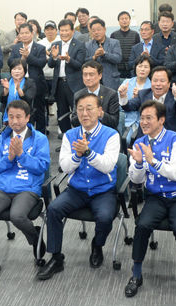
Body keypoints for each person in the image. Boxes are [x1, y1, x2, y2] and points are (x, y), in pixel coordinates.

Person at [36, 93, 119, 280]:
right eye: (80, 109)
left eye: (89, 108)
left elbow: (107, 165)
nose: (84, 113)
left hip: (103, 190)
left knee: (105, 217)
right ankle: (56, 257)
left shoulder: (111, 135)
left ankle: (97, 245)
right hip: (77, 190)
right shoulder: (70, 135)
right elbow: (64, 167)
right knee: (54, 209)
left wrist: (88, 152)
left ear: (100, 111)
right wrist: (77, 155)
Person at [124, 100, 176, 303]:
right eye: (142, 118)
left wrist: (152, 160)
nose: (144, 122)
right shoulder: (139, 142)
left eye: (149, 118)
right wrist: (139, 163)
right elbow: (136, 180)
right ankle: (136, 274)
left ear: (161, 120)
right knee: (142, 225)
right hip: (156, 197)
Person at [0, 99, 50, 282]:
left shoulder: (39, 138)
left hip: (28, 188)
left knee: (17, 216)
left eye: (19, 117)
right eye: (11, 117)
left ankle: (35, 237)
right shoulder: (2, 138)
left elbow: (42, 167)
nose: (15, 121)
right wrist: (9, 157)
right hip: (4, 188)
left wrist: (22, 156)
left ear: (27, 117)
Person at [120, 66, 176, 138]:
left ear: (169, 83)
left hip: (171, 137)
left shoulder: (175, 95)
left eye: (162, 81)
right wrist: (123, 96)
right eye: (155, 80)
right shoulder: (143, 94)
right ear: (151, 82)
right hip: (146, 137)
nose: (158, 84)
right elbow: (128, 106)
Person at [48, 19, 87, 136]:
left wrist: (69, 60)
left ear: (72, 31)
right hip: (59, 84)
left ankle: (80, 139)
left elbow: (80, 65)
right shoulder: (55, 45)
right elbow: (50, 64)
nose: (64, 33)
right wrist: (54, 57)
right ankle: (67, 139)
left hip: (74, 85)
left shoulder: (79, 45)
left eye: (66, 30)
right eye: (61, 31)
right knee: (62, 113)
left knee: (77, 112)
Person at [8, 23, 47, 132]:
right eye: (22, 33)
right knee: (21, 110)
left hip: (36, 83)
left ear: (32, 33)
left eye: (26, 33)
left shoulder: (40, 47)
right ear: (19, 34)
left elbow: (41, 63)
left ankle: (40, 134)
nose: (24, 35)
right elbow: (10, 62)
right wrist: (21, 58)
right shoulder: (15, 48)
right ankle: (24, 133)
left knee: (39, 111)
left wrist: (28, 56)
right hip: (19, 82)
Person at [71, 60, 119, 129]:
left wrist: (101, 114)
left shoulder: (111, 94)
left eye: (91, 74)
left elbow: (114, 122)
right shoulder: (78, 95)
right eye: (85, 75)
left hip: (105, 132)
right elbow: (74, 122)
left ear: (100, 76)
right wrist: (82, 114)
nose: (88, 78)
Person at [118, 54, 152, 146]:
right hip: (126, 121)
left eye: (146, 67)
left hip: (143, 123)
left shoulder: (152, 86)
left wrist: (138, 99)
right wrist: (124, 97)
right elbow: (120, 107)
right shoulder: (127, 83)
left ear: (150, 70)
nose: (142, 69)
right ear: (135, 68)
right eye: (140, 66)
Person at [85, 19, 122, 91]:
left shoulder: (114, 43)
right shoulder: (87, 45)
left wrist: (105, 54)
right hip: (94, 81)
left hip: (111, 80)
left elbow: (118, 58)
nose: (96, 32)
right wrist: (94, 57)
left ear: (104, 29)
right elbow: (84, 61)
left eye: (98, 30)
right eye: (93, 30)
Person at [0, 59, 36, 124]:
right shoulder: (6, 81)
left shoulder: (30, 83)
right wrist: (6, 90)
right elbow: (2, 101)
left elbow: (29, 100)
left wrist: (19, 90)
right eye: (14, 69)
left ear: (24, 71)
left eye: (19, 69)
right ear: (11, 71)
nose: (16, 71)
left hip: (25, 118)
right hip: (8, 118)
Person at [111, 11, 140, 79]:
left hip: (132, 68)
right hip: (118, 68)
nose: (124, 20)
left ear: (129, 20)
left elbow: (138, 51)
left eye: (126, 18)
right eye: (122, 19)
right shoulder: (113, 35)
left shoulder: (135, 34)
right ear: (118, 21)